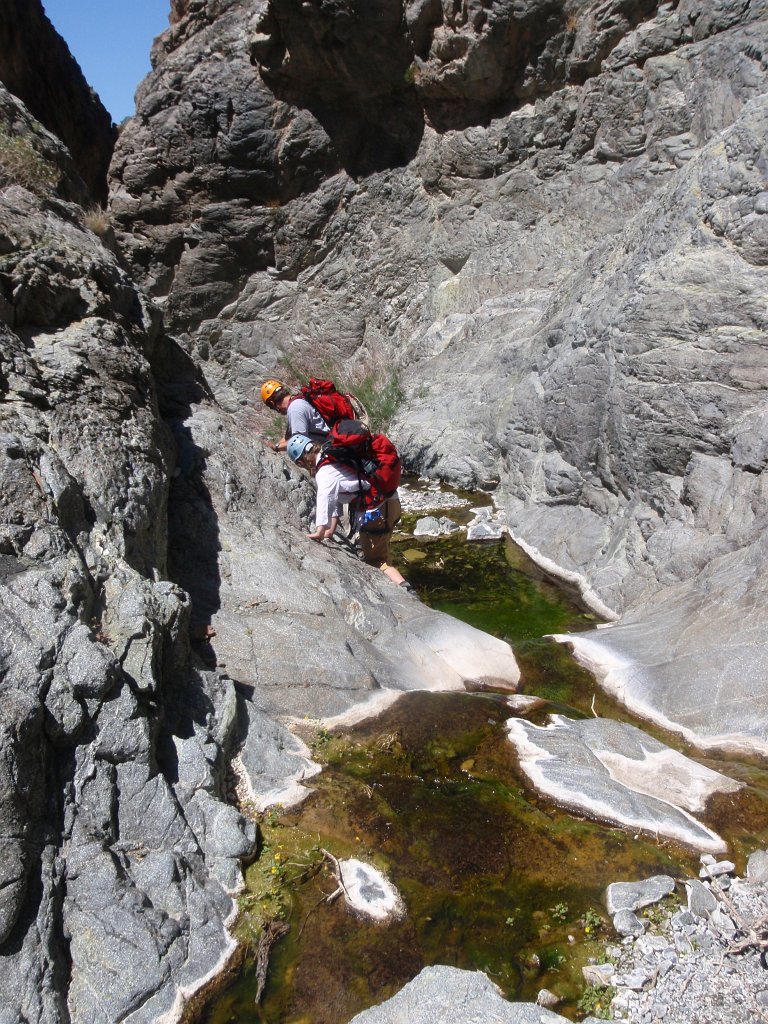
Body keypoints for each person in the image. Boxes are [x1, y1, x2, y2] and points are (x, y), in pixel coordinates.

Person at [287, 433, 415, 592]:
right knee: (381, 547)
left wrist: (320, 530)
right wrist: (330, 530)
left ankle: (406, 590)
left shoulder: (324, 472)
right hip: (391, 502)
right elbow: (334, 500)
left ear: (301, 461)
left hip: (377, 512)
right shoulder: (331, 455)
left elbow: (325, 498)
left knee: (377, 561)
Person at [260, 379, 330, 452]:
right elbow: (289, 436)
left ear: (272, 403)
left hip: (328, 449)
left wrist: (277, 447)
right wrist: (277, 445)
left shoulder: (295, 409)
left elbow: (299, 442)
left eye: (271, 407)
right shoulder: (299, 400)